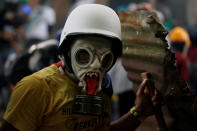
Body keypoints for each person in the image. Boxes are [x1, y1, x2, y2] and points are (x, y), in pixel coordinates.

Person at [1, 4, 161, 131]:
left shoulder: (103, 89)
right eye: (84, 54)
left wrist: (139, 112)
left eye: (105, 58)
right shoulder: (37, 88)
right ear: (67, 51)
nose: (95, 65)